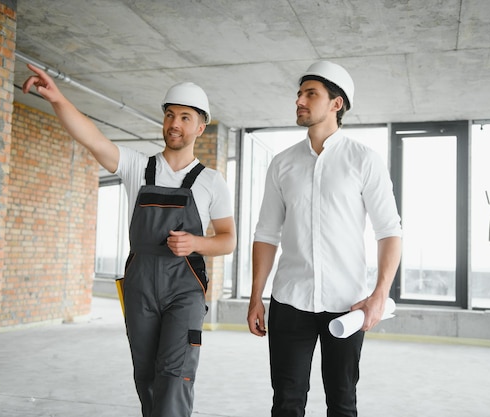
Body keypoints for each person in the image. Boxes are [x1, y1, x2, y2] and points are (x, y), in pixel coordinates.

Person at [22, 64, 236, 417]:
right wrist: (58, 98)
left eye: (185, 117)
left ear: (200, 126)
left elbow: (228, 240)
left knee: (175, 374)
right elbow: (91, 137)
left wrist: (195, 244)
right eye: (170, 115)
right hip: (140, 286)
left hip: (184, 288)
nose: (175, 124)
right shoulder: (138, 166)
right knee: (146, 376)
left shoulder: (211, 181)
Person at [247, 61, 402, 417]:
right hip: (289, 301)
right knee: (286, 402)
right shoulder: (282, 164)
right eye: (299, 94)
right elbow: (266, 234)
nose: (299, 100)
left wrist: (379, 294)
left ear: (337, 103)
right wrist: (256, 296)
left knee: (342, 402)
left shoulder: (364, 160)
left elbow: (389, 231)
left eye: (310, 94)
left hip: (347, 304)